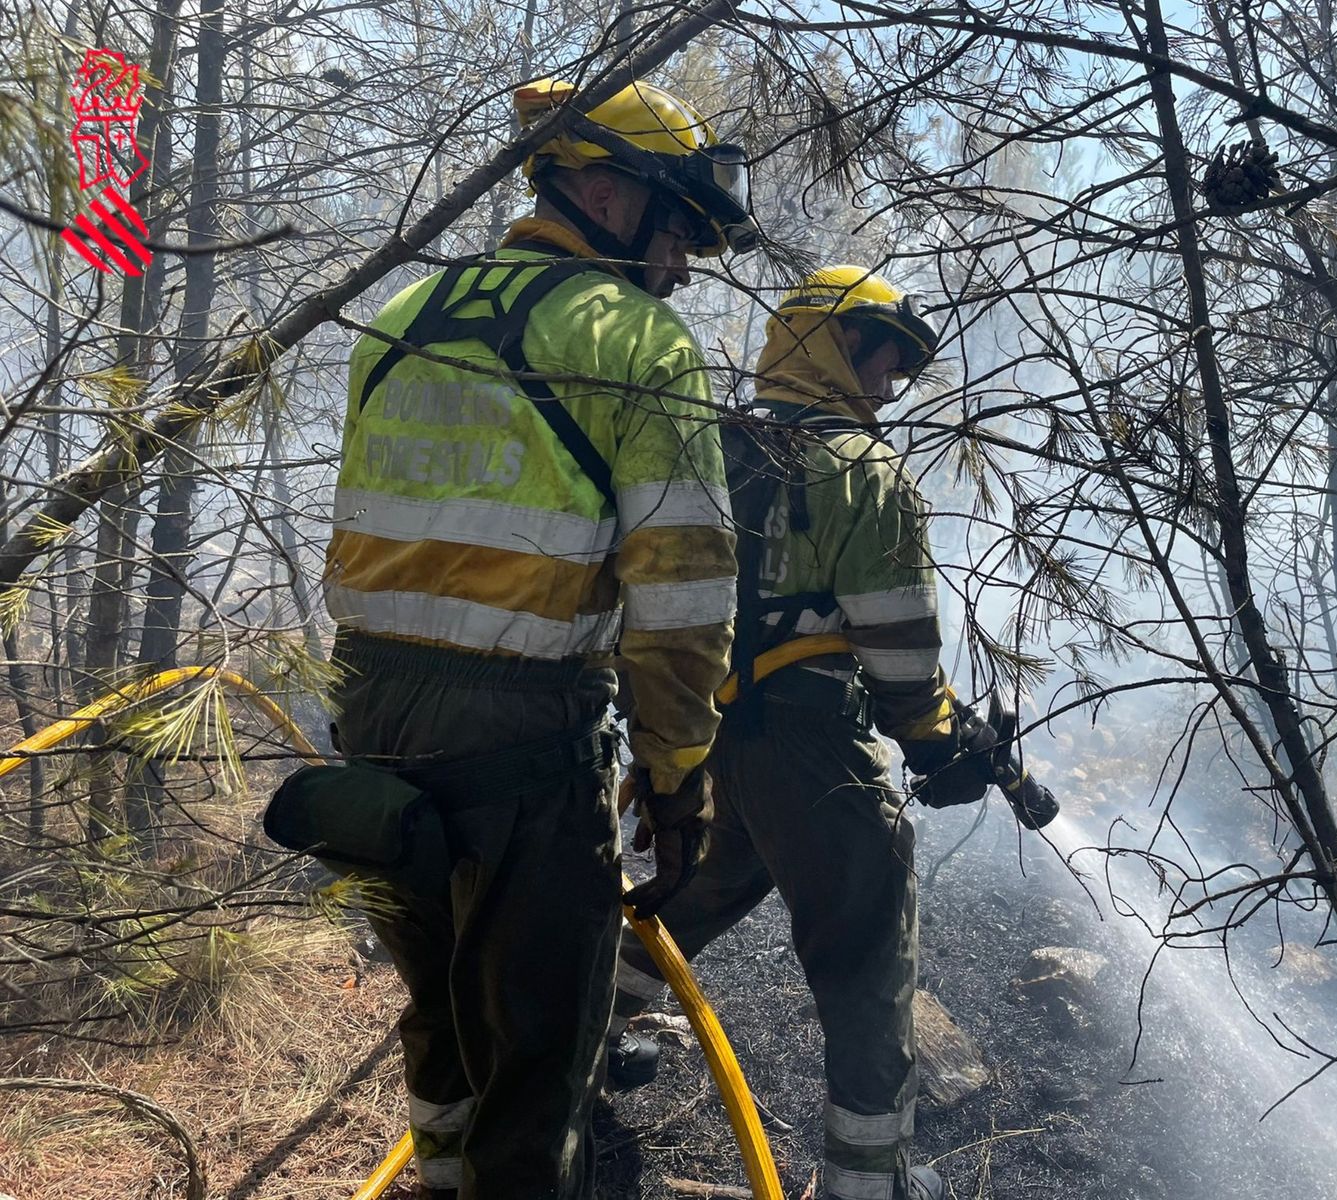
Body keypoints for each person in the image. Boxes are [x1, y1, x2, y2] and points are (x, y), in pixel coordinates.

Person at [320, 77, 753, 1200]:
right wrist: (676, 775)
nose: (685, 263)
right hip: (522, 741)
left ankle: (441, 1181)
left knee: (441, 1013)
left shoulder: (404, 319)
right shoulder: (637, 341)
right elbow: (685, 594)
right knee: (540, 1051)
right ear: (604, 190)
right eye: (677, 226)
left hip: (370, 725)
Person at [605, 266, 996, 1200]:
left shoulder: (707, 447)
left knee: (678, 900)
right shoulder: (861, 474)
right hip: (815, 754)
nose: (888, 386)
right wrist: (939, 742)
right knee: (866, 966)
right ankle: (870, 1183)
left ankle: (579, 1060)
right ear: (830, 342)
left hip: (700, 741)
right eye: (881, 359)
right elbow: (898, 647)